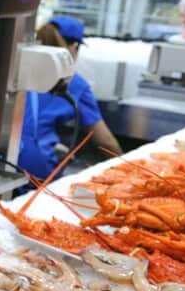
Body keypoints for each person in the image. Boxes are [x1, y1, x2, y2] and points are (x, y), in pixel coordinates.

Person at [17, 16, 123, 182]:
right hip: (37, 169)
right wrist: (127, 167)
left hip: (2, 160)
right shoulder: (74, 83)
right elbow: (105, 141)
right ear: (74, 47)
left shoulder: (18, 69)